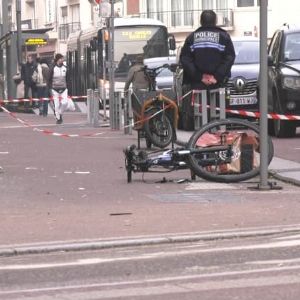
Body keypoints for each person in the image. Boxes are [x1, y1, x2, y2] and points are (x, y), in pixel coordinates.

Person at [180, 10, 235, 129]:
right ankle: (218, 138)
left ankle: (200, 138)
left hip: (198, 84)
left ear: (200, 21)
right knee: (218, 115)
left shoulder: (192, 37)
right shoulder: (223, 36)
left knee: (199, 116)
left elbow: (185, 59)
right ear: (215, 21)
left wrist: (200, 77)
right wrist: (217, 76)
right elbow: (230, 57)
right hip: (218, 83)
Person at [124, 54, 150, 127]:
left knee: (136, 108)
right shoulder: (146, 68)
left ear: (136, 61)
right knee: (146, 107)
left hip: (137, 91)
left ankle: (137, 123)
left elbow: (128, 81)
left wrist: (125, 91)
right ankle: (146, 123)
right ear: (143, 61)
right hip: (146, 91)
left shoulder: (133, 69)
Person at [48, 53, 75, 124]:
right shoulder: (52, 68)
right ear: (58, 59)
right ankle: (59, 119)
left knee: (65, 103)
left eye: (62, 58)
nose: (62, 60)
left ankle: (59, 113)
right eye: (61, 58)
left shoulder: (65, 68)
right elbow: (49, 79)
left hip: (64, 89)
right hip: (55, 89)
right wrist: (50, 89)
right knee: (56, 106)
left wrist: (69, 90)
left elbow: (68, 79)